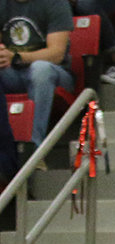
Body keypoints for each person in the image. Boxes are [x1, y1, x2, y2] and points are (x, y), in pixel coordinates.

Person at [0, 0, 74, 150]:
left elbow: (56, 54)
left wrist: (16, 57)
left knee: (41, 69)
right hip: (14, 74)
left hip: (55, 74)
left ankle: (34, 148)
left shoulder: (55, 3)